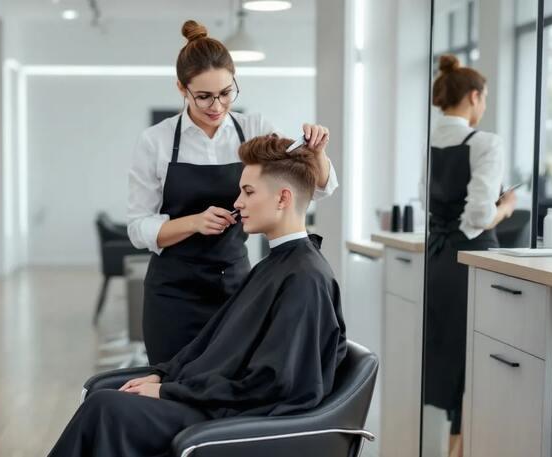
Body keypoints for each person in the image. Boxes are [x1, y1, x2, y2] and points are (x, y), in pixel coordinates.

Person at [48, 134, 347, 457]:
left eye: (247, 192)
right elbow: (213, 345)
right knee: (104, 396)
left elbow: (273, 384)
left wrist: (168, 391)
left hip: (234, 419)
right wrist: (161, 374)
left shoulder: (305, 279)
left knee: (105, 407)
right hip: (213, 400)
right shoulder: (273, 266)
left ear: (283, 198)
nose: (237, 203)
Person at [128, 19, 337, 365]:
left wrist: (317, 152)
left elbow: (312, 187)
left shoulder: (254, 127)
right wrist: (194, 222)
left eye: (226, 93)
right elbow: (138, 229)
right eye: (204, 96)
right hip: (173, 294)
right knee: (168, 387)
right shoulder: (156, 142)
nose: (217, 106)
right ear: (182, 89)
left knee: (222, 389)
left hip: (236, 287)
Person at [424, 54, 517, 457]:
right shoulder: (485, 142)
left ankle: (454, 449)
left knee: (450, 358)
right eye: (485, 99)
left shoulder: (429, 141)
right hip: (472, 260)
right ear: (475, 97)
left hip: (437, 259)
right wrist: (507, 207)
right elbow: (479, 215)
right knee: (474, 365)